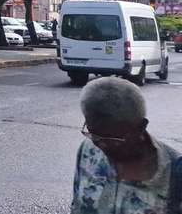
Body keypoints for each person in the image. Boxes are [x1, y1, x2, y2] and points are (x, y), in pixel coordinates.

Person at [71, 77, 180, 214]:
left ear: (141, 127)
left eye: (114, 138)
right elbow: (77, 206)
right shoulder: (87, 151)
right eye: (94, 134)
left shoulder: (175, 171)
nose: (102, 145)